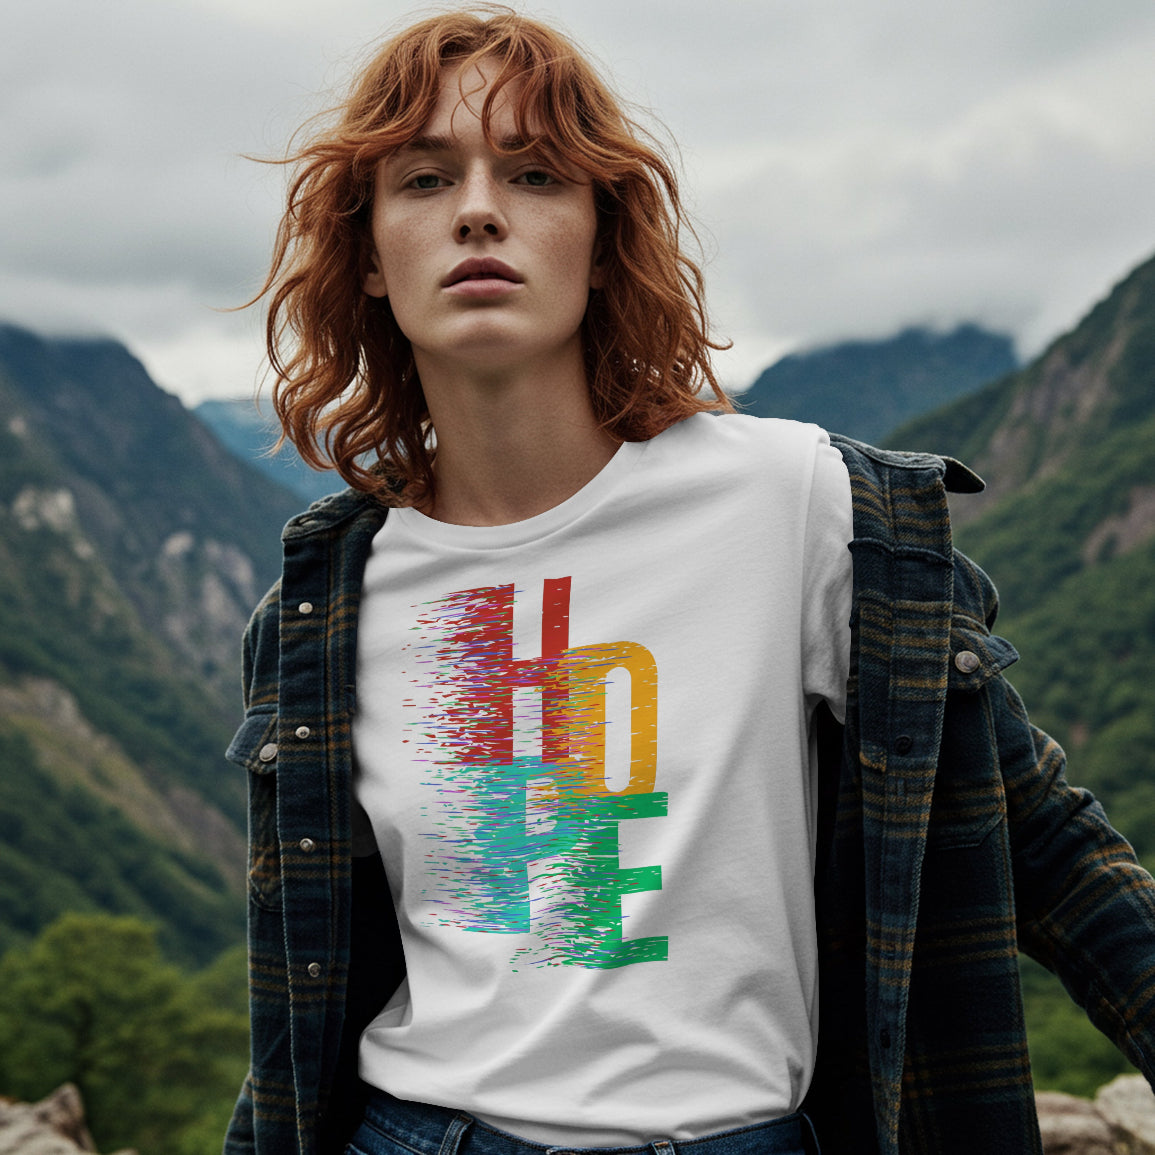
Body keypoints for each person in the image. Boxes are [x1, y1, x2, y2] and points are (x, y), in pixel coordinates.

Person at [223, 8, 1155, 1155]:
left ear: (603, 239)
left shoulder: (797, 507)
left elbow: (1041, 837)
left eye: (534, 173)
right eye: (424, 179)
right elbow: (300, 993)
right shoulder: (331, 605)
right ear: (369, 255)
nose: (477, 208)